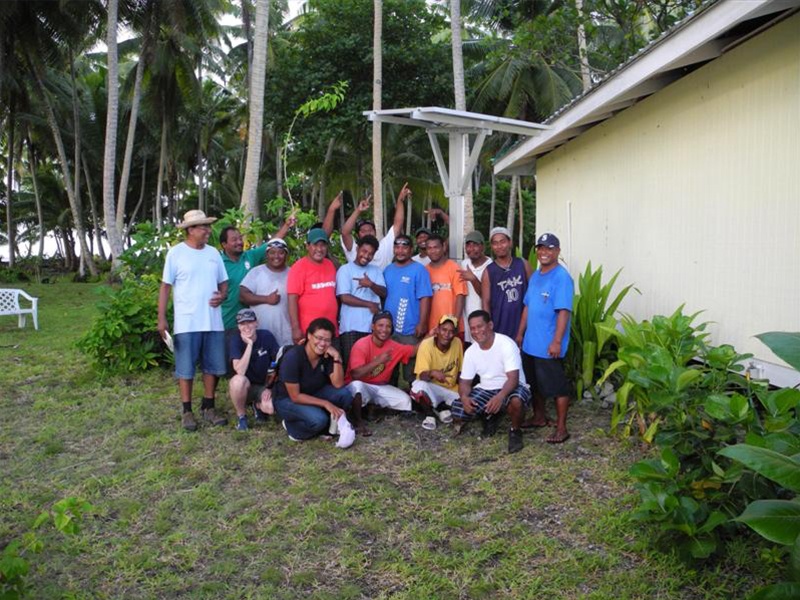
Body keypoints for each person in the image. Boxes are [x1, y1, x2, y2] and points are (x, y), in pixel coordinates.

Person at [158, 209, 229, 432]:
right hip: (187, 322)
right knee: (186, 369)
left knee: (212, 367)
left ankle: (209, 406)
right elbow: (165, 287)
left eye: (208, 226)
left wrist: (222, 295)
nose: (208, 230)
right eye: (203, 227)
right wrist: (161, 318)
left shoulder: (213, 254)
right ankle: (187, 411)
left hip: (212, 321)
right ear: (190, 230)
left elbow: (224, 282)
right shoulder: (176, 254)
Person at [519, 233, 574, 444]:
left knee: (557, 386)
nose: (544, 252)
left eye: (549, 248)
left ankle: (562, 428)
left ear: (558, 251)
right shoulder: (536, 276)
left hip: (548, 345)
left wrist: (557, 341)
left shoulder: (562, 278)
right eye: (541, 248)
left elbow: (563, 312)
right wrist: (520, 333)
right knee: (534, 384)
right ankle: (539, 417)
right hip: (531, 343)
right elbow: (527, 307)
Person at [452, 310, 531, 454]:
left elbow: (513, 378)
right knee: (458, 410)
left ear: (490, 325)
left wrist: (500, 397)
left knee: (516, 402)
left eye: (480, 326)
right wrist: (464, 398)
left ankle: (515, 431)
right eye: (473, 328)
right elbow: (464, 382)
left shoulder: (506, 344)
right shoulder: (471, 351)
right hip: (486, 388)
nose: (476, 331)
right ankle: (490, 416)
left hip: (512, 386)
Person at [272, 318, 355, 442]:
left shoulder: (326, 355)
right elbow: (295, 396)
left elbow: (338, 384)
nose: (322, 344)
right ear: (309, 336)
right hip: (287, 399)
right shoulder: (293, 357)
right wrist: (326, 403)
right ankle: (293, 427)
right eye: (319, 338)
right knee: (319, 420)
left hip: (313, 392)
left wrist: (337, 357)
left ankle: (328, 424)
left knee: (344, 395)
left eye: (327, 340)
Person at [346, 311, 417, 432]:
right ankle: (358, 421)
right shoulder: (361, 344)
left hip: (380, 387)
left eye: (388, 326)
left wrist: (430, 336)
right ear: (372, 326)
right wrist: (378, 361)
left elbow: (414, 351)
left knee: (405, 401)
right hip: (360, 386)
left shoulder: (393, 345)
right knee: (357, 386)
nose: (384, 329)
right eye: (380, 325)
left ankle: (374, 409)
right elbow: (355, 374)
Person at [219, 216, 294, 331]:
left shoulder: (250, 256)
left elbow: (272, 245)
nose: (239, 242)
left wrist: (287, 225)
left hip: (249, 323)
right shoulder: (218, 264)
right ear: (224, 244)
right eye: (234, 240)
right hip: (227, 322)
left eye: (240, 238)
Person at [322, 184, 411, 269]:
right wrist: (358, 210)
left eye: (370, 229)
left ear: (375, 232)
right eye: (363, 231)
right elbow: (345, 232)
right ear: (358, 235)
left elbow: (398, 224)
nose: (367, 232)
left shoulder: (384, 247)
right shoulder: (354, 250)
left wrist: (400, 201)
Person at [382, 233, 432, 383]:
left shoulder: (419, 270)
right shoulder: (388, 270)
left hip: (411, 330)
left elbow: (425, 297)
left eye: (404, 247)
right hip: (389, 331)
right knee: (389, 371)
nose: (400, 251)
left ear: (411, 250)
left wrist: (422, 323)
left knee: (411, 373)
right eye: (397, 247)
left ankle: (415, 402)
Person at [336, 235, 386, 368]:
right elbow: (344, 297)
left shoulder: (376, 271)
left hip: (372, 329)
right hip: (351, 328)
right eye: (364, 251)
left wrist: (371, 284)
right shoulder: (345, 270)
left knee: (371, 368)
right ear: (357, 249)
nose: (366, 256)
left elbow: (384, 292)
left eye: (371, 254)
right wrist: (369, 304)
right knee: (352, 368)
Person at [228, 309, 280, 431]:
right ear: (238, 326)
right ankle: (242, 416)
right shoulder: (235, 340)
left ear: (256, 322)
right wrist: (250, 344)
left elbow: (276, 363)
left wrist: (269, 387)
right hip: (246, 386)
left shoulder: (266, 336)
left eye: (249, 322)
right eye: (242, 324)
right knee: (238, 381)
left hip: (264, 384)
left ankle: (257, 405)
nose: (246, 327)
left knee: (270, 408)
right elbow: (240, 371)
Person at [410, 315, 463, 430]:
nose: (447, 334)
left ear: (455, 333)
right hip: (432, 388)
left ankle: (441, 408)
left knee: (467, 404)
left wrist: (464, 394)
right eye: (444, 330)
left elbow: (460, 371)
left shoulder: (457, 342)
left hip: (450, 388)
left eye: (451, 331)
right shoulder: (426, 344)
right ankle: (430, 414)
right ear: (437, 330)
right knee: (418, 387)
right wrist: (432, 373)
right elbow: (421, 376)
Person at [287, 228, 338, 345]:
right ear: (307, 246)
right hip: (310, 333)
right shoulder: (298, 268)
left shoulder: (330, 265)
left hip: (331, 331)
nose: (319, 249)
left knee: (334, 362)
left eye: (323, 245)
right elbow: (292, 299)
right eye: (315, 245)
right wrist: (295, 328)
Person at [239, 238, 293, 347]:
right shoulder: (256, 272)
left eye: (281, 252)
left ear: (286, 255)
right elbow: (242, 296)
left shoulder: (293, 274)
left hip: (287, 336)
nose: (276, 256)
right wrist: (266, 299)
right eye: (272, 252)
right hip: (259, 335)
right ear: (266, 254)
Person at [482, 226, 533, 341]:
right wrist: (488, 326)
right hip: (500, 325)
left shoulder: (523, 264)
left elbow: (534, 294)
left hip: (524, 324)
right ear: (492, 247)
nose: (499, 246)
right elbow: (486, 302)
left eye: (502, 242)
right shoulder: (489, 271)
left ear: (510, 243)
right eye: (495, 243)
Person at [425, 234, 468, 335]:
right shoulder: (424, 271)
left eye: (436, 247)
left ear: (443, 247)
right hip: (432, 328)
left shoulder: (454, 268)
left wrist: (455, 323)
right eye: (429, 248)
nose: (432, 251)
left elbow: (460, 296)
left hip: (452, 328)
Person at [458, 231, 492, 345]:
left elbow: (486, 296)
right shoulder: (464, 263)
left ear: (482, 246)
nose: (471, 248)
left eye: (475, 245)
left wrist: (473, 279)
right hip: (468, 322)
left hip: (483, 321)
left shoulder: (491, 266)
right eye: (468, 245)